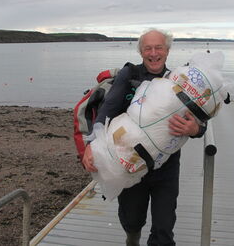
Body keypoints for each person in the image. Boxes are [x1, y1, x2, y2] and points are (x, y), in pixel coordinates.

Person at [82, 28, 206, 246]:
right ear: (141, 52)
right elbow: (108, 108)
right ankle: (132, 237)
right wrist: (91, 143)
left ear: (167, 51)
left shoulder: (178, 82)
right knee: (132, 220)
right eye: (148, 48)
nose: (153, 53)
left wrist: (194, 130)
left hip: (166, 168)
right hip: (128, 162)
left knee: (164, 229)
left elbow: (201, 122)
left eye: (159, 47)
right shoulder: (130, 75)